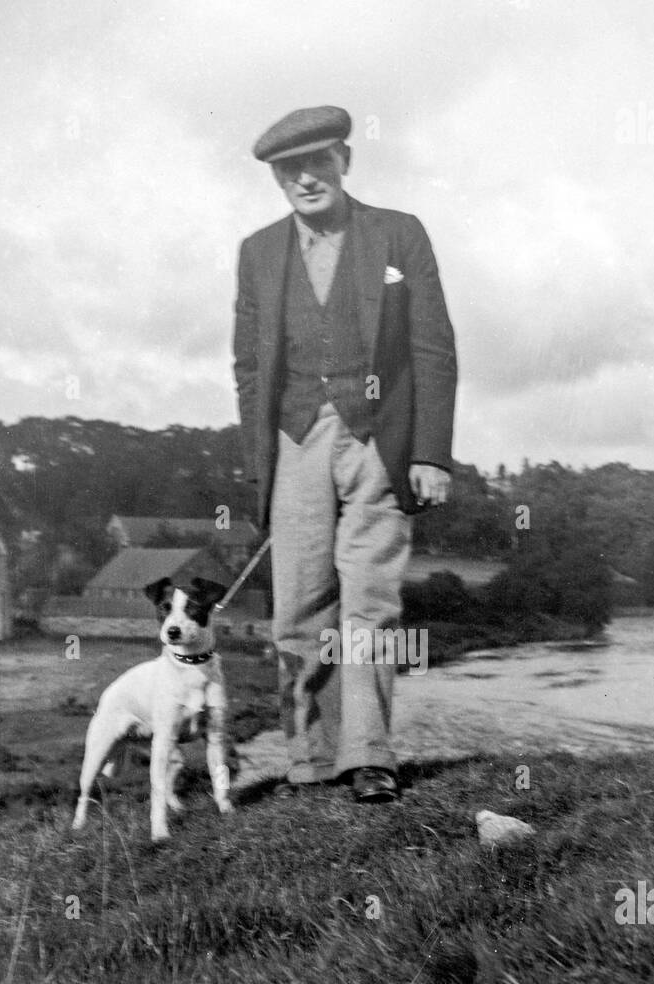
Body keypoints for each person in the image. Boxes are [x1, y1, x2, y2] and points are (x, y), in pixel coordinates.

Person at [233, 105, 457, 802]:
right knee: (299, 608)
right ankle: (308, 759)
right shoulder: (257, 251)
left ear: (345, 162)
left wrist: (431, 454)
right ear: (276, 179)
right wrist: (259, 467)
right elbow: (247, 366)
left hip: (379, 440)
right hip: (293, 441)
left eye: (319, 161)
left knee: (371, 603)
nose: (305, 178)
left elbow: (433, 347)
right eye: (288, 170)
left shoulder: (399, 232)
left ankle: (370, 758)